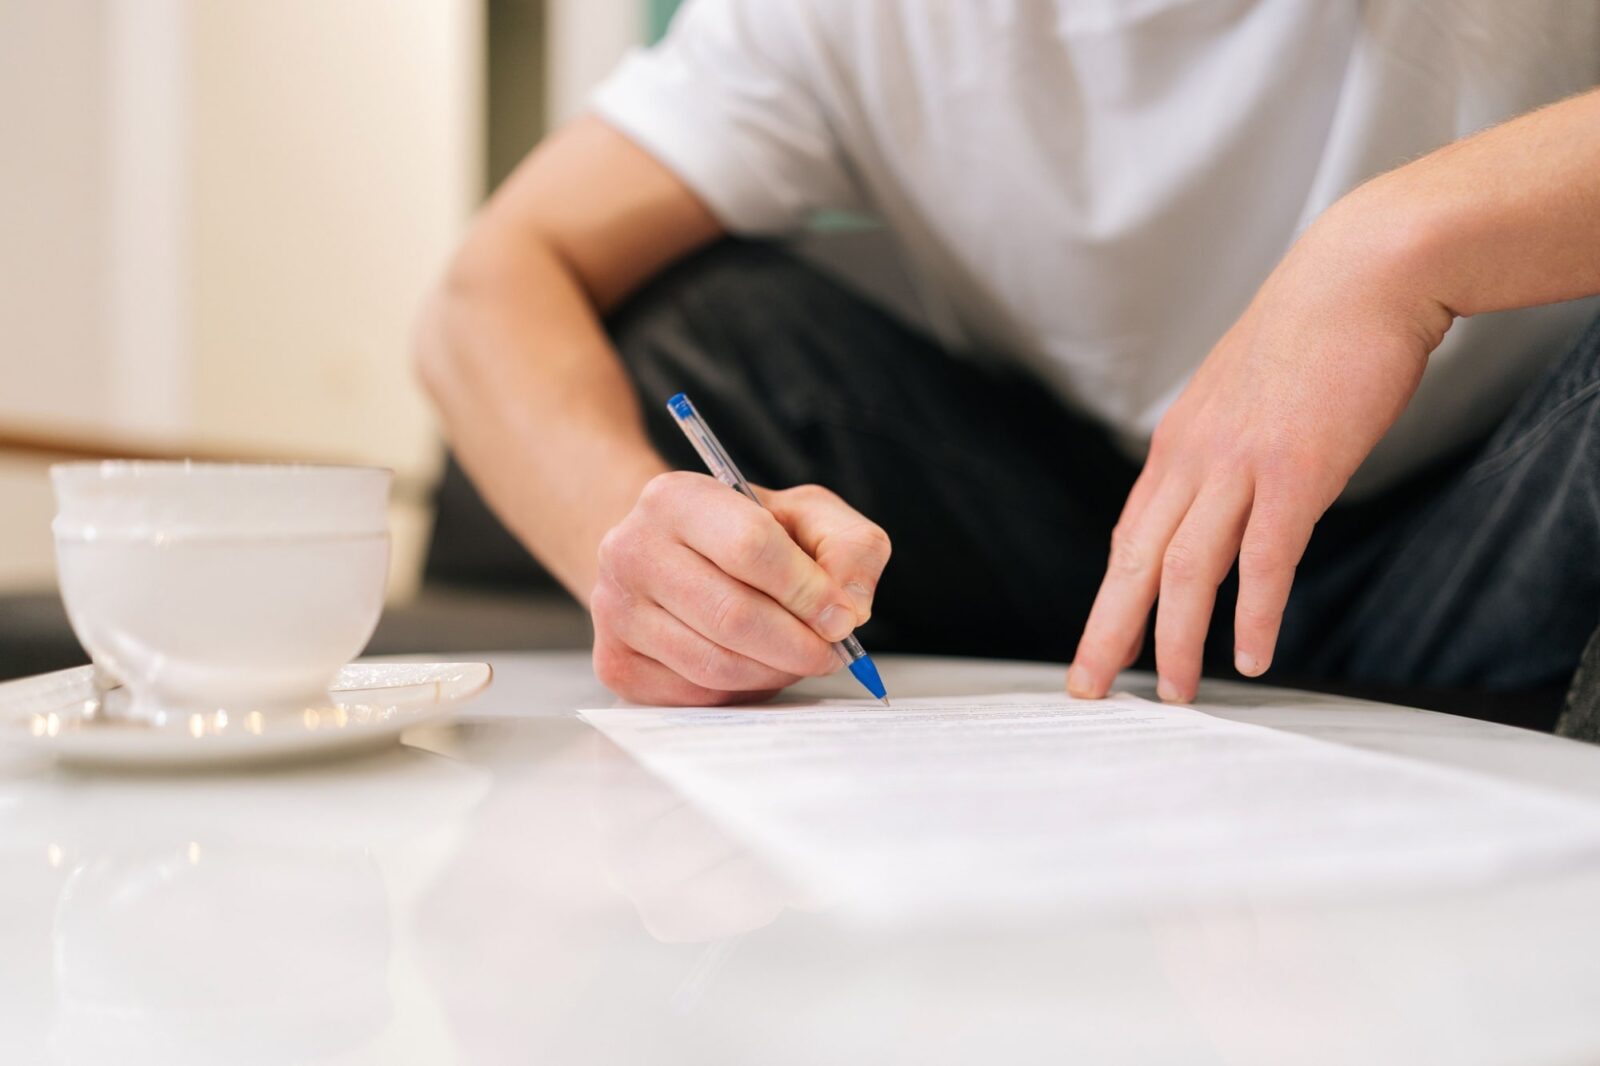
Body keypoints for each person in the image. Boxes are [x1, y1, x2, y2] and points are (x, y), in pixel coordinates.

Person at [416, 0, 1600, 724]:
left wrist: (1393, 247)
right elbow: (487, 288)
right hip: (1074, 559)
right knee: (707, 324)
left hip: (1494, 531)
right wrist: (634, 544)